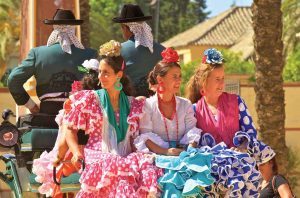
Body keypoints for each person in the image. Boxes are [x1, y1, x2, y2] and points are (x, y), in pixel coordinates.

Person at [60, 40, 162, 197]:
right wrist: (75, 152)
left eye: (106, 72)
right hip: (98, 156)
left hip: (126, 156)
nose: (100, 76)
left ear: (119, 75)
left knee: (147, 167)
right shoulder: (90, 99)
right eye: (100, 71)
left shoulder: (132, 104)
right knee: (115, 166)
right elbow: (69, 129)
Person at [186, 48, 272, 196]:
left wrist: (243, 147)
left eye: (223, 78)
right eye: (217, 79)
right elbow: (192, 142)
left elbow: (250, 132)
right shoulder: (193, 110)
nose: (222, 83)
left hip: (239, 168)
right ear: (204, 82)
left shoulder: (236, 102)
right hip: (210, 174)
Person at [32, 59, 101, 197]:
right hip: (100, 155)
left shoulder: (73, 107)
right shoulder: (107, 106)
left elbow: (64, 139)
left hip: (75, 159)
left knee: (60, 169)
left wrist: (58, 157)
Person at [8, 9, 97, 115]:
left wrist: (30, 105)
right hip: (80, 117)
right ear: (74, 28)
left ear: (53, 28)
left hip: (47, 115)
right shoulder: (90, 54)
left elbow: (13, 79)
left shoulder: (37, 54)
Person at [112, 4, 165, 97]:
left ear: (124, 27)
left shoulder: (117, 50)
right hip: (157, 104)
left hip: (128, 105)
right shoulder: (163, 50)